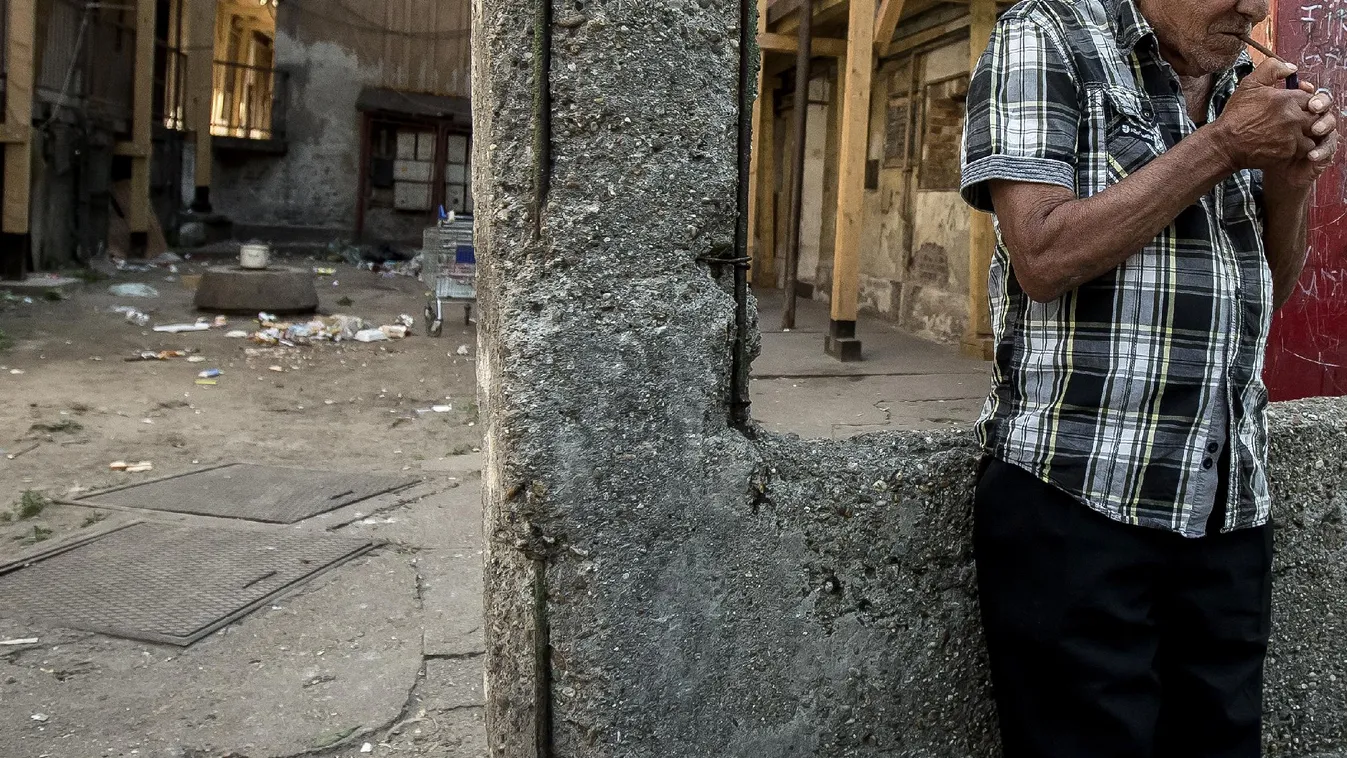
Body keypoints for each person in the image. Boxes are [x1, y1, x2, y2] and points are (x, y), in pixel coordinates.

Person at [959, 0, 1338, 755]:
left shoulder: (1245, 80)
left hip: (1227, 510)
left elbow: (1266, 290)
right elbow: (1041, 256)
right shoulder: (1047, 34)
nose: (1246, 4)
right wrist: (1224, 146)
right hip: (1078, 498)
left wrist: (1290, 181)